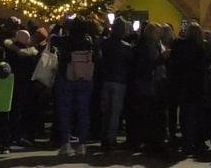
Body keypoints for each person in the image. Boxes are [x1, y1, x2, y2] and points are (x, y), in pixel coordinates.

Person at [53, 16, 96, 156]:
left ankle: (66, 143)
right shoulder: (88, 41)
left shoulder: (65, 40)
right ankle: (82, 144)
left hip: (66, 77)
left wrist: (59, 25)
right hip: (84, 78)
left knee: (65, 111)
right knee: (83, 111)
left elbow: (52, 38)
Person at [128, 23, 167, 154]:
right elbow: (146, 65)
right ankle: (145, 140)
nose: (159, 35)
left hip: (152, 83)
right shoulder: (145, 46)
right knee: (146, 112)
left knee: (149, 112)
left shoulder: (152, 45)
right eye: (157, 32)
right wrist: (161, 58)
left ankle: (147, 140)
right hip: (146, 83)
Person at [171, 21, 208, 155]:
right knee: (196, 116)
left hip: (182, 86)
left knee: (185, 115)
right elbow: (202, 70)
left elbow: (174, 65)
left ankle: (186, 142)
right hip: (196, 86)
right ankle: (196, 142)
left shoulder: (179, 45)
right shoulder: (200, 48)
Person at [99, 17, 134, 152]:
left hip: (107, 79)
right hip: (119, 81)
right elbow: (130, 64)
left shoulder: (105, 43)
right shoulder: (125, 47)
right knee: (114, 112)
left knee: (106, 111)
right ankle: (110, 139)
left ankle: (103, 137)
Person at [5, 29, 39, 147]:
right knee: (21, 112)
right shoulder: (30, 55)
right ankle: (18, 135)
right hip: (24, 86)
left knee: (12, 111)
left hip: (10, 85)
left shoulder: (9, 51)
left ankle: (10, 135)